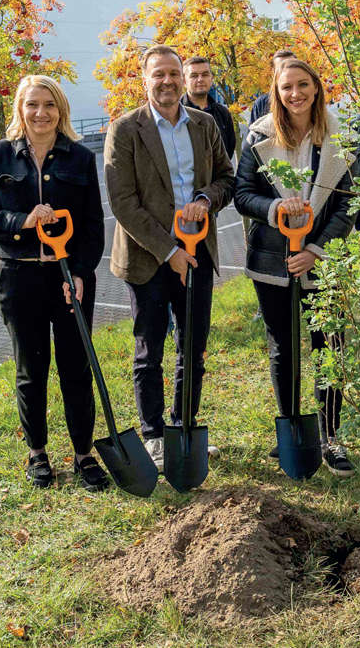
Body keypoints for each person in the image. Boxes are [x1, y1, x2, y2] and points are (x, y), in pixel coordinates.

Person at [0, 76, 108, 491]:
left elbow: (93, 226)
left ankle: (84, 454)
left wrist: (81, 272)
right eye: (33, 104)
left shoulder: (80, 158)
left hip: (70, 280)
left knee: (76, 369)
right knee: (31, 369)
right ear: (20, 109)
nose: (41, 113)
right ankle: (38, 453)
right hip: (20, 277)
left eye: (49, 104)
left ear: (60, 110)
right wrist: (22, 221)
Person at [104, 45, 234, 471]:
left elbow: (225, 179)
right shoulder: (125, 130)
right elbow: (124, 204)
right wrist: (169, 251)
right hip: (147, 259)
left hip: (197, 254)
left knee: (192, 347)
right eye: (158, 74)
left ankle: (184, 426)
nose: (167, 81)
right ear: (144, 79)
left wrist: (204, 199)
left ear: (184, 77)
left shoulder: (204, 123)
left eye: (173, 73)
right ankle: (154, 435)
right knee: (150, 351)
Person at [234, 59, 355, 476]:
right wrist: (273, 208)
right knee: (282, 347)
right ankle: (290, 428)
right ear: (276, 91)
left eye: (303, 85)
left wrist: (317, 250)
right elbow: (243, 194)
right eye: (287, 87)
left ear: (317, 88)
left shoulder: (339, 136)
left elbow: (346, 205)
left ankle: (331, 437)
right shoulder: (259, 135)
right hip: (272, 260)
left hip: (322, 262)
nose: (295, 94)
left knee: (330, 347)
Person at [182, 56, 237, 160]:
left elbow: (229, 149)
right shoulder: (175, 112)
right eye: (194, 76)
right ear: (184, 81)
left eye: (205, 74)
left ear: (211, 79)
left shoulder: (223, 113)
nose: (200, 79)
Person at [249, 48, 295, 123]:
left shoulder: (307, 98)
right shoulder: (262, 104)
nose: (287, 71)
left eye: (291, 66)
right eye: (282, 68)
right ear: (273, 72)